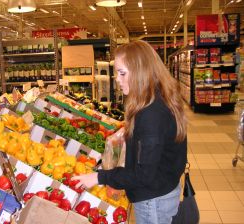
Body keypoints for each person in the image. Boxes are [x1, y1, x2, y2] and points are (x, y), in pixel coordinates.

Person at [72, 40, 187, 224]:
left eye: (122, 73)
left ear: (142, 72)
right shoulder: (157, 98)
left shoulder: (151, 114)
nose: (117, 79)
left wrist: (99, 177)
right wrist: (130, 133)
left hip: (153, 201)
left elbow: (144, 175)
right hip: (163, 189)